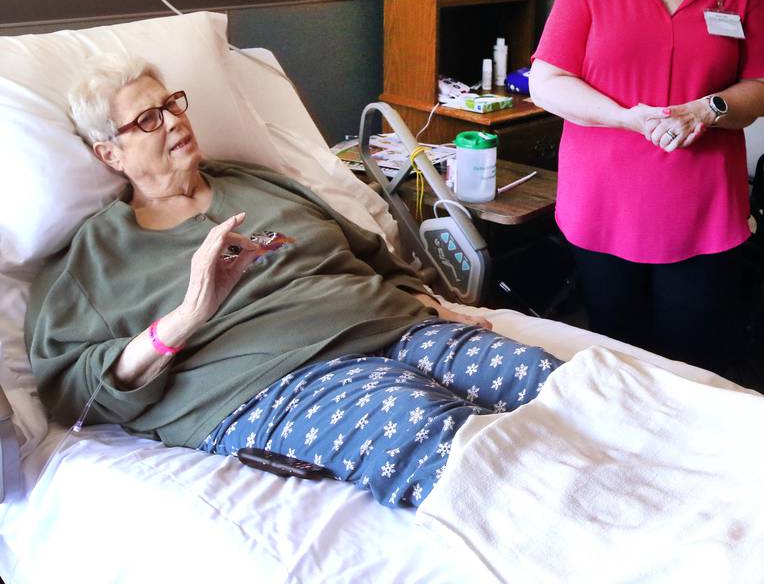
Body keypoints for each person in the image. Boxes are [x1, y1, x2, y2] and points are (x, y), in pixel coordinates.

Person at [25, 53, 562, 509]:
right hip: (276, 382)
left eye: (171, 105)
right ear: (109, 154)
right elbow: (76, 394)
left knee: (553, 384)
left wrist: (431, 303)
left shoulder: (255, 182)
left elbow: (369, 251)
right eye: (147, 120)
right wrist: (188, 314)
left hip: (392, 324)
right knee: (441, 435)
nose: (170, 121)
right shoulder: (93, 260)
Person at [528, 0, 764, 373]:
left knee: (696, 366)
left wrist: (708, 109)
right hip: (605, 206)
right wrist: (627, 118)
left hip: (702, 212)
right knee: (620, 362)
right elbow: (547, 81)